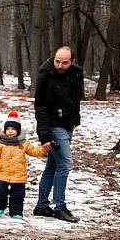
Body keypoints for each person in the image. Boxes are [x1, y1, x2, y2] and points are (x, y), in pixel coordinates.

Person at [33, 46, 84, 223]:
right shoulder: (45, 75)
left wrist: (75, 120)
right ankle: (60, 207)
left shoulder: (77, 73)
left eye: (64, 62)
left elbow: (76, 99)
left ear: (72, 61)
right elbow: (40, 107)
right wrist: (45, 136)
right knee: (65, 164)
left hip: (68, 124)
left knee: (53, 165)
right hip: (53, 126)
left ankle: (41, 205)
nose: (60, 65)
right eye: (57, 61)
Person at [0, 111, 50, 218]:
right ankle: (0, 208)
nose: (10, 131)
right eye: (8, 129)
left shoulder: (24, 143)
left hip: (19, 175)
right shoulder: (0, 143)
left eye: (13, 129)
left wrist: (44, 149)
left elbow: (34, 152)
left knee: (18, 195)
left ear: (18, 130)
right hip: (3, 173)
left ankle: (16, 212)